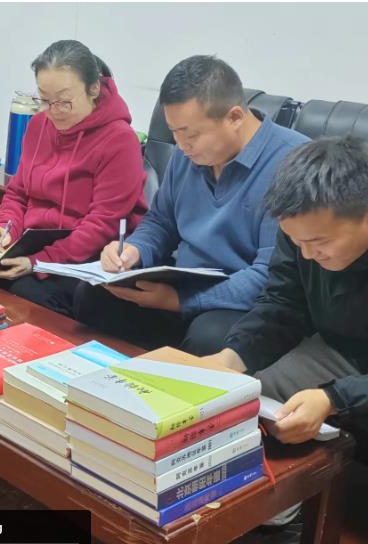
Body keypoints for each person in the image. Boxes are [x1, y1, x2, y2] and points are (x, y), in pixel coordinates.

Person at [204, 136, 368, 544]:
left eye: (321, 244)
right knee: (245, 394)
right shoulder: (303, 223)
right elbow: (283, 303)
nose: (308, 255)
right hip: (348, 347)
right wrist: (231, 357)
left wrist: (334, 398)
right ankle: (268, 518)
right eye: (298, 243)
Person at [73, 55, 309, 355]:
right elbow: (161, 222)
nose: (182, 146)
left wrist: (181, 301)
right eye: (175, 132)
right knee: (93, 295)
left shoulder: (292, 164)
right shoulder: (189, 153)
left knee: (209, 337)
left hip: (240, 302)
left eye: (192, 135)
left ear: (235, 117)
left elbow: (270, 276)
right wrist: (134, 250)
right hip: (182, 284)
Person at [0, 39, 147, 317]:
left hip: (87, 255)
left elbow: (102, 224)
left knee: (30, 292)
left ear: (93, 88)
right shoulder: (39, 125)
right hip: (34, 244)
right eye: (44, 100)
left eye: (63, 101)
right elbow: (18, 193)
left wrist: (38, 262)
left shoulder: (120, 140)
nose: (53, 111)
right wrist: (4, 228)